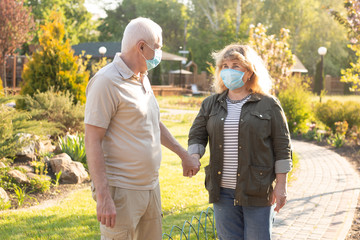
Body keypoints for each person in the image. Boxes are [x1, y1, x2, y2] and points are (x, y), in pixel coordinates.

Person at [84, 17, 200, 240]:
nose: (160, 52)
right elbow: (92, 140)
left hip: (150, 187)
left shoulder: (142, 78)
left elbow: (153, 123)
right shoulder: (106, 82)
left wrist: (183, 155)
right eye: (158, 47)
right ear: (141, 46)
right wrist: (103, 197)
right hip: (121, 192)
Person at [187, 44, 292, 240]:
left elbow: (282, 148)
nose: (228, 71)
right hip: (222, 191)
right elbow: (197, 134)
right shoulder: (211, 104)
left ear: (250, 71)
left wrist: (281, 185)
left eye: (236, 66)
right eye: (224, 66)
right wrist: (193, 156)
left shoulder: (269, 105)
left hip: (257, 190)